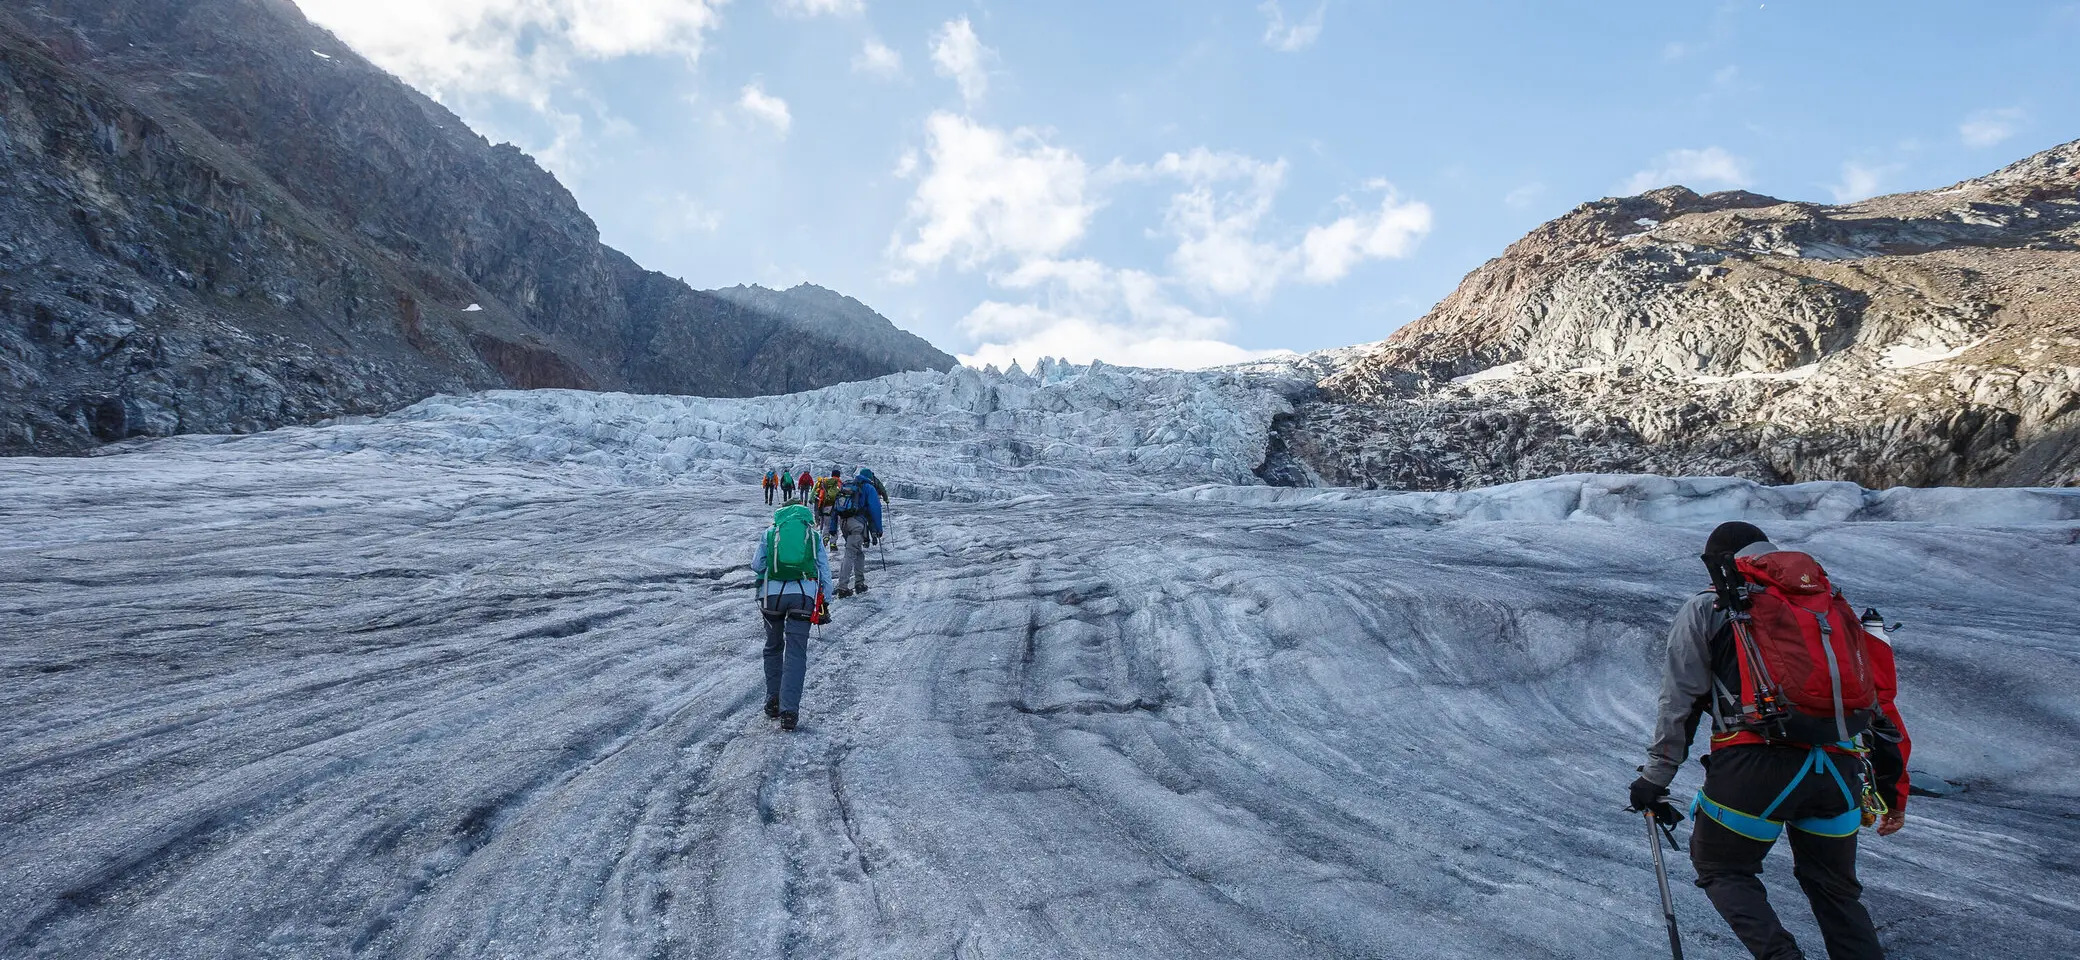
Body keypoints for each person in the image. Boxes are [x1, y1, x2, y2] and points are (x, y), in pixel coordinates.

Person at [1630, 521, 1911, 960]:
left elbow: (1678, 701)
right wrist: (1893, 791)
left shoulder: (1712, 605)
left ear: (1721, 562)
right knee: (1837, 893)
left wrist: (1655, 777)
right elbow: (1880, 705)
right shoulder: (1832, 608)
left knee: (1723, 867)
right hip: (1838, 773)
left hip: (1754, 768)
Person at [752, 503, 831, 731]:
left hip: (772, 598)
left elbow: (757, 564)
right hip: (803, 597)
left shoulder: (769, 533)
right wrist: (827, 600)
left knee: (773, 647)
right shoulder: (813, 536)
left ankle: (772, 700)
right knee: (796, 652)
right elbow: (823, 569)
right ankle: (789, 712)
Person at [825, 467, 885, 598]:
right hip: (857, 524)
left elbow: (835, 508)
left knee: (858, 553)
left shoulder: (848, 486)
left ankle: (859, 583)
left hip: (844, 523)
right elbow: (875, 509)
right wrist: (878, 529)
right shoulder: (869, 488)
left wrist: (833, 528)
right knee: (850, 553)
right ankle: (842, 587)